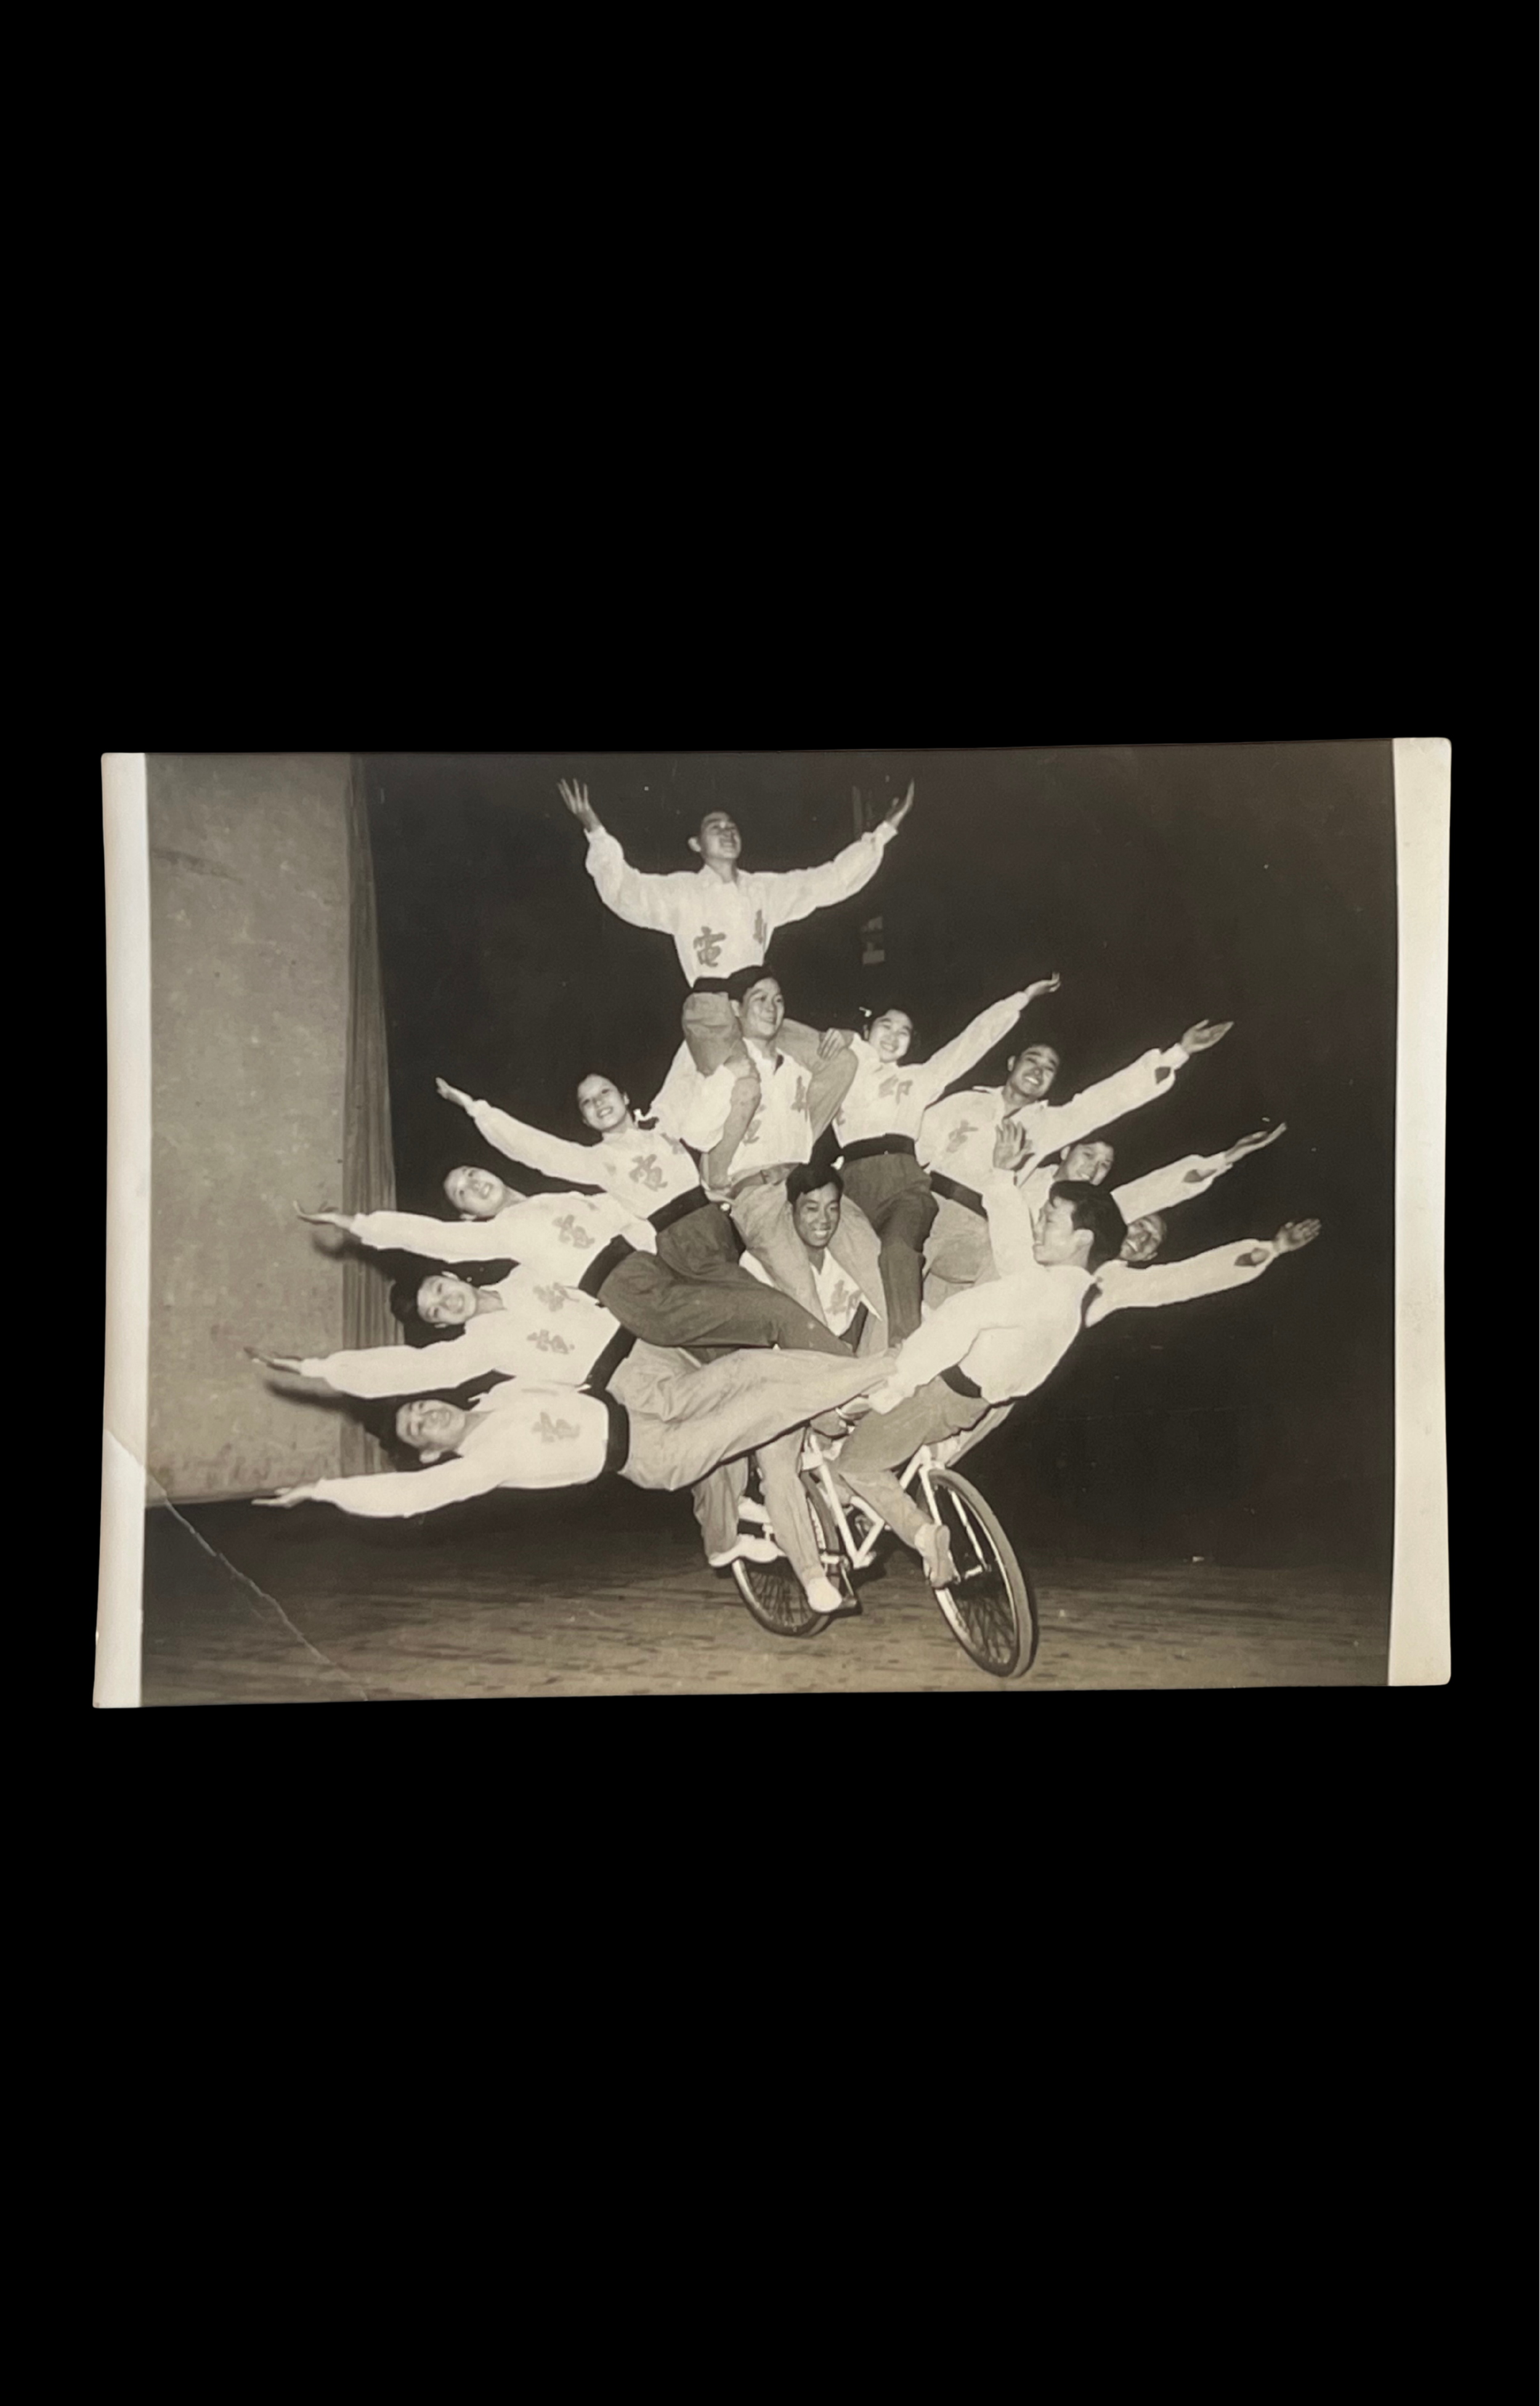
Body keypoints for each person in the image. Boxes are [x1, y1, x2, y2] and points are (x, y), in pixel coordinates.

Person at [837, 1127, 1323, 1580]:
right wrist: (1221, 1161)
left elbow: (1188, 1279)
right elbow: (1016, 1244)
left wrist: (1269, 1249)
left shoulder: (1111, 1284)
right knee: (899, 1423)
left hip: (980, 1382)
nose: (1144, 1236)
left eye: (1153, 1240)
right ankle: (871, 1503)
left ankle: (888, 1516)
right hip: (969, 1353)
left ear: (1148, 1255)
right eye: (1141, 1226)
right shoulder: (1056, 1255)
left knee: (899, 1449)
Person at [256, 1340, 904, 1622]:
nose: (426, 1413)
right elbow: (404, 1499)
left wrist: (322, 1368)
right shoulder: (478, 1466)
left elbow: (424, 1361)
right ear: (429, 1453)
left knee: (748, 1368)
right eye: (418, 1427)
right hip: (654, 1456)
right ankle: (887, 1371)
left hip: (649, 1410)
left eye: (420, 1405)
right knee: (762, 1412)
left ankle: (736, 1524)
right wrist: (323, 1491)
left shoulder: (497, 1395)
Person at [293, 1159, 856, 1360]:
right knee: (773, 1312)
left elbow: (630, 1210)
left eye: (471, 1173)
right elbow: (431, 1238)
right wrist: (358, 1225)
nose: (474, 1184)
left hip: (653, 1269)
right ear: (468, 1217)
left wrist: (709, 1198)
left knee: (742, 1354)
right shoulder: (502, 1236)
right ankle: (860, 1380)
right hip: (634, 1293)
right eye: (463, 1192)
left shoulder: (554, 1199)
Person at [558, 775, 915, 1083]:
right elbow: (624, 890)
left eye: (732, 828)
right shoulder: (681, 892)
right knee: (742, 1084)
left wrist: (884, 831)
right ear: (697, 845)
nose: (727, 833)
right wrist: (595, 829)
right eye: (716, 828)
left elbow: (829, 880)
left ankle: (791, 1157)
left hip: (758, 1007)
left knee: (836, 1063)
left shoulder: (763, 890)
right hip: (712, 1010)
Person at [915, 1015, 1234, 1308]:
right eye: (1032, 1060)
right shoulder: (967, 1101)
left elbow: (1104, 1102)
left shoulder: (1046, 1126)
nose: (1038, 1071)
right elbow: (916, 1146)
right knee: (892, 1289)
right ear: (1012, 1063)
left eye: (1050, 1068)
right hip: (928, 1205)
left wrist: (1179, 1053)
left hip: (978, 1234)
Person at [826, 974, 1063, 1340]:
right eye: (885, 1026)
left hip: (901, 1172)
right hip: (850, 1179)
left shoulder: (920, 1079)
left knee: (899, 1253)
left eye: (903, 1032)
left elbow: (971, 1042)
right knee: (844, 1277)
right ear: (868, 1029)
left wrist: (1020, 999)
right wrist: (847, 1040)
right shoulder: (842, 1067)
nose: (892, 1036)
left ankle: (902, 1347)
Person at [692, 1162, 886, 1571]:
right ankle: (808, 1564)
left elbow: (876, 1314)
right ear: (791, 1211)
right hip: (783, 1382)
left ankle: (841, 1502)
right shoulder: (759, 1266)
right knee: (779, 1465)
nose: (823, 1220)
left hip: (836, 1377)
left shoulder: (846, 1260)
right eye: (811, 1209)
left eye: (832, 1208)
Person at [436, 1067, 786, 1289]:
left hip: (723, 1217)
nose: (599, 1103)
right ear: (586, 1122)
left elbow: (684, 1073)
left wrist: (728, 1066)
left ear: (624, 1096)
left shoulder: (662, 1121)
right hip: (687, 1243)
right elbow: (534, 1148)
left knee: (780, 1276)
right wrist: (477, 1110)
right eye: (587, 1103)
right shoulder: (597, 1161)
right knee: (757, 1298)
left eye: (604, 1092)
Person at [686, 966, 888, 1322]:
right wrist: (732, 1067)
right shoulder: (726, 1068)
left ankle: (914, 1365)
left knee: (877, 1266)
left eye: (778, 1001)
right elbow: (696, 1134)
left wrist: (836, 1035)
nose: (772, 1007)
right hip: (758, 1193)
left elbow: (849, 1063)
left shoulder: (797, 1066)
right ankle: (829, 1375)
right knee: (802, 1295)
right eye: (759, 999)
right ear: (736, 1008)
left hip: (806, 1182)